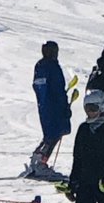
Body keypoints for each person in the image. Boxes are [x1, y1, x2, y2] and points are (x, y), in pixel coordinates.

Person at [30, 40, 72, 176]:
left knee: (53, 133)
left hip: (51, 105)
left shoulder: (47, 66)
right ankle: (41, 162)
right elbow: (47, 89)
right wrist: (57, 104)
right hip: (51, 106)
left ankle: (38, 157)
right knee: (53, 134)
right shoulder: (47, 66)